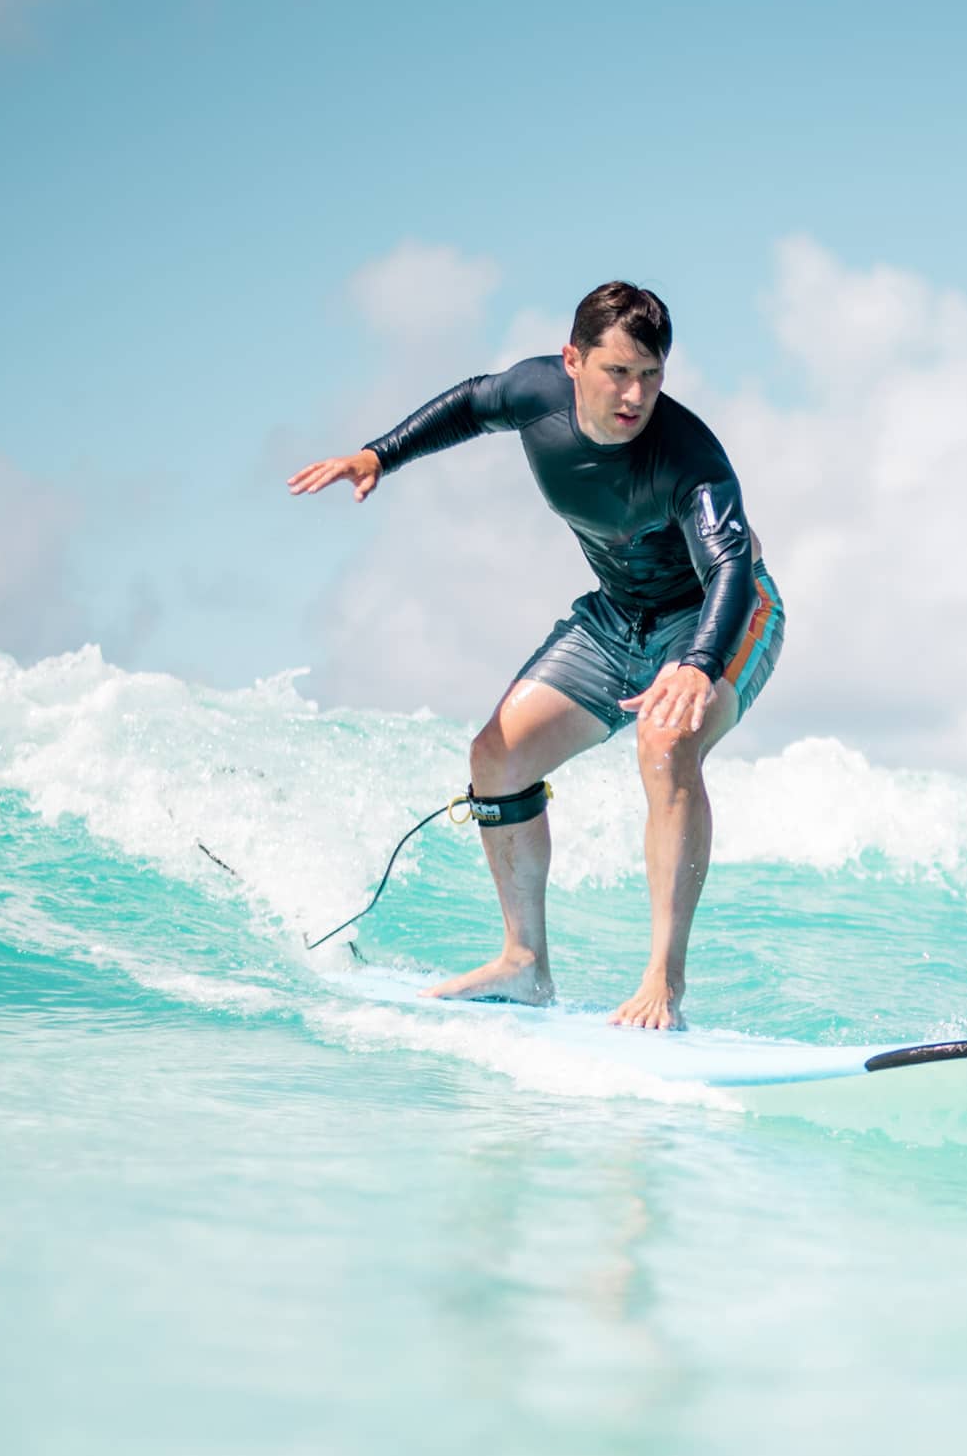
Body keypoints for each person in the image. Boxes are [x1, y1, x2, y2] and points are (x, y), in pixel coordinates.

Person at [287, 282, 784, 1030]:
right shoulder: (536, 393)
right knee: (497, 758)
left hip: (721, 619)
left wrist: (698, 662)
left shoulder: (690, 458)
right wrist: (379, 454)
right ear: (572, 360)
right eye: (617, 371)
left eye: (651, 376)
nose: (635, 394)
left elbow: (730, 569)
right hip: (618, 617)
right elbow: (470, 403)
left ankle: (663, 984)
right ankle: (524, 964)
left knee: (666, 739)